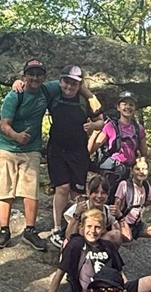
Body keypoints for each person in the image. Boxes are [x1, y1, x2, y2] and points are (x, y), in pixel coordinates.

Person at [47, 207, 151, 292]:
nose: (93, 231)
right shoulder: (76, 245)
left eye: (97, 227)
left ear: (103, 230)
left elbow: (119, 273)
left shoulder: (108, 246)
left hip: (115, 291)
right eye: (89, 226)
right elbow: (59, 274)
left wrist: (127, 290)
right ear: (81, 228)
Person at [0, 58, 53, 252]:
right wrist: (16, 136)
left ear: (44, 77)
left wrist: (89, 96)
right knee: (5, 190)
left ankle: (30, 230)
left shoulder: (47, 90)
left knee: (30, 190)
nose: (35, 78)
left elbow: (72, 83)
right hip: (7, 147)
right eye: (31, 74)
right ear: (24, 76)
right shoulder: (14, 96)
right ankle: (4, 230)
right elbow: (4, 124)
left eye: (39, 74)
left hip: (31, 149)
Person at [45, 65, 103, 249]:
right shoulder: (53, 96)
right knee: (62, 188)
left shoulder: (84, 100)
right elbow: (33, 90)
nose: (69, 87)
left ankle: (78, 227)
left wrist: (93, 126)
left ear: (80, 85)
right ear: (60, 81)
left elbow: (101, 121)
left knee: (77, 192)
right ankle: (56, 229)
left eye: (74, 84)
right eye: (66, 82)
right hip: (57, 149)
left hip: (78, 151)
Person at [92, 91, 151, 204]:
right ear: (118, 107)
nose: (128, 107)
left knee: (125, 203)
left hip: (129, 171)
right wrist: (95, 132)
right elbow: (93, 147)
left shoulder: (138, 129)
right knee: (107, 200)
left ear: (135, 108)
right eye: (124, 104)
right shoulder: (110, 126)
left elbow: (145, 155)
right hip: (112, 171)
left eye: (131, 104)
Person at [113, 157, 151, 242]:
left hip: (139, 225)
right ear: (131, 170)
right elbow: (116, 206)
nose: (141, 172)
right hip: (125, 224)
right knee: (128, 239)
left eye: (144, 169)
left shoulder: (146, 185)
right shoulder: (124, 185)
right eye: (137, 169)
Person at [63, 175, 122, 243]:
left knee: (115, 234)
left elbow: (124, 237)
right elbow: (69, 236)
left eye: (103, 193)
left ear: (108, 195)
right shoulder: (79, 208)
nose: (99, 196)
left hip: (98, 245)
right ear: (88, 192)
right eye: (95, 192)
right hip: (79, 244)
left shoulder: (108, 211)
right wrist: (77, 214)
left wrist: (120, 215)